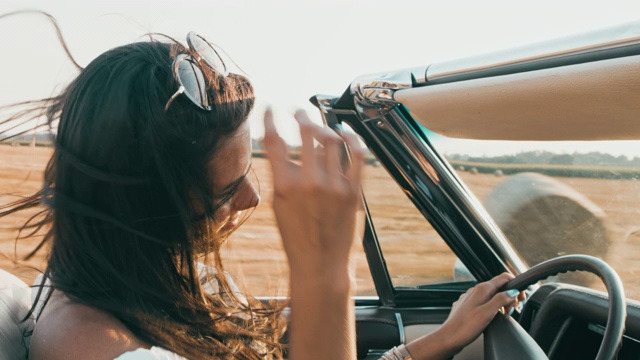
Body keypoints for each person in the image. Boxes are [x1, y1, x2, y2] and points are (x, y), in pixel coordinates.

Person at [0, 21, 525, 360]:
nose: (253, 198)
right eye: (226, 189)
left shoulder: (147, 283)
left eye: (250, 169)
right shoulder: (106, 351)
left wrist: (437, 341)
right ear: (148, 209)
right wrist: (327, 272)